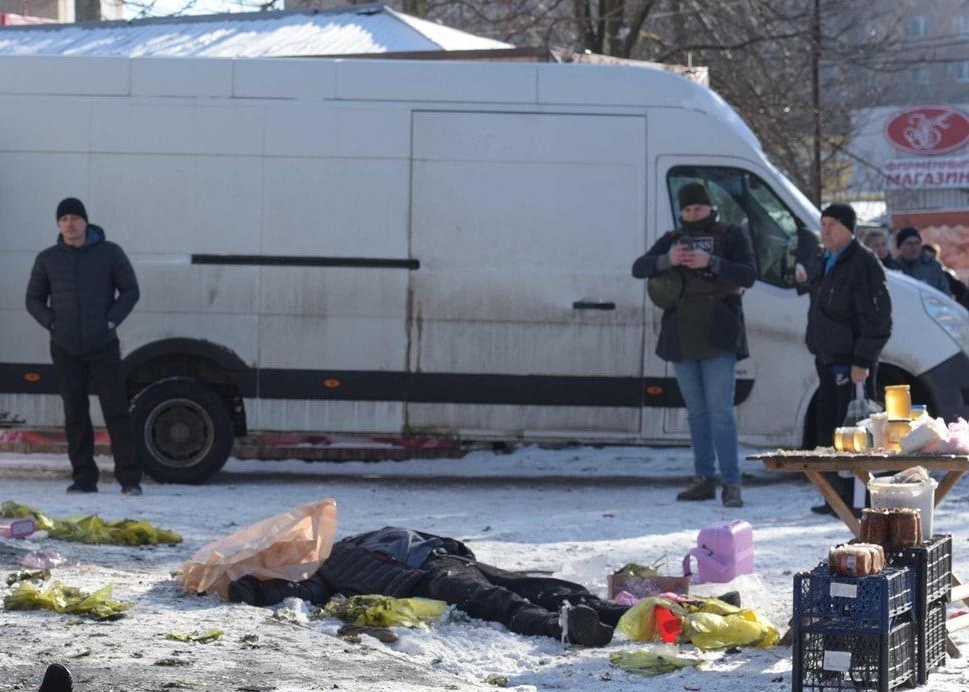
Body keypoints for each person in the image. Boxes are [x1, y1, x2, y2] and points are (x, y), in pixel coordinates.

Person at [226, 526, 626, 647]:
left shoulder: (363, 537)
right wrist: (253, 589)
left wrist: (454, 550)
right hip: (427, 581)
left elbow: (425, 538)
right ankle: (562, 628)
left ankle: (619, 614)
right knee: (497, 601)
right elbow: (301, 595)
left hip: (449, 562)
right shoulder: (323, 574)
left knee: (540, 585)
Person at [632, 182, 757, 508]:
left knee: (721, 414)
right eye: (686, 210)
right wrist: (667, 259)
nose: (692, 214)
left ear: (709, 207)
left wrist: (710, 262)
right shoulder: (673, 239)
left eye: (697, 208)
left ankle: (732, 483)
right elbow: (639, 267)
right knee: (697, 414)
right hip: (681, 337)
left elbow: (747, 275)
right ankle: (704, 478)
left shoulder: (731, 235)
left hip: (719, 335)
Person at [26, 197, 143, 495]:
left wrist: (110, 321)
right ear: (58, 224)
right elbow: (33, 299)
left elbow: (130, 291)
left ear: (86, 222)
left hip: (102, 344)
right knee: (75, 414)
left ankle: (129, 480)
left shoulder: (109, 253)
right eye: (64, 219)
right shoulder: (48, 259)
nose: (70, 224)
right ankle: (83, 479)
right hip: (65, 347)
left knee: (116, 411)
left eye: (75, 218)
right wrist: (52, 323)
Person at [803, 204, 892, 515]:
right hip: (827, 360)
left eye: (832, 224)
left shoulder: (863, 262)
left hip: (853, 364)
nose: (825, 230)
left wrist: (863, 360)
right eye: (823, 223)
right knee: (829, 431)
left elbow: (878, 320)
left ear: (848, 228)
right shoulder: (824, 258)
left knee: (859, 433)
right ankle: (834, 497)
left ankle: (862, 501)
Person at [891, 226, 951, 294]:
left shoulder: (933, 267)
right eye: (909, 244)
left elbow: (945, 293)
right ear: (899, 247)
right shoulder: (893, 268)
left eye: (917, 243)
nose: (914, 247)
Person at [922, 242, 969, 309]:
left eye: (932, 259)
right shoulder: (907, 271)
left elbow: (962, 291)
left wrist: (957, 309)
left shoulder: (945, 275)